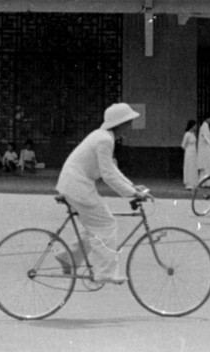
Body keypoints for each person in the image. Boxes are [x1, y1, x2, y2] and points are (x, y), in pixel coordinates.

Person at [54, 103, 150, 284]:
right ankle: (105, 273)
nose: (129, 127)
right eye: (128, 122)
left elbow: (112, 170)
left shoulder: (102, 136)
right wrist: (132, 193)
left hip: (74, 184)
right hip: (78, 186)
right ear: (119, 123)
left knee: (94, 227)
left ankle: (68, 257)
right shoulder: (105, 140)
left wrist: (132, 187)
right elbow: (108, 175)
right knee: (106, 224)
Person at [196, 113, 210, 181]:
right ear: (207, 119)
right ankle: (209, 182)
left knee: (207, 165)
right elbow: (207, 138)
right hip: (206, 148)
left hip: (205, 148)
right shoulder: (204, 127)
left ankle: (206, 181)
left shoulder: (204, 126)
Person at [181, 119, 199, 189]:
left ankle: (194, 183)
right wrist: (188, 150)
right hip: (189, 153)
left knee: (193, 168)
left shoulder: (193, 134)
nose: (196, 127)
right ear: (192, 126)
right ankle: (189, 184)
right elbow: (183, 145)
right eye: (195, 125)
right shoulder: (187, 134)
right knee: (189, 167)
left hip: (194, 153)